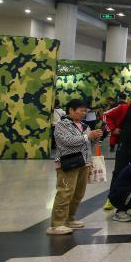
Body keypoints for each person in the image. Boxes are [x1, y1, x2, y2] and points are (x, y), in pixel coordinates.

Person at [48, 99, 104, 235]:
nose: (84, 113)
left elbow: (88, 143)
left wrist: (95, 137)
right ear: (71, 110)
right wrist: (87, 136)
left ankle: (69, 219)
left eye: (85, 111)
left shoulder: (84, 126)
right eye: (81, 111)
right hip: (68, 163)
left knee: (78, 194)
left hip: (84, 163)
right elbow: (67, 141)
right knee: (65, 193)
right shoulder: (62, 125)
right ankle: (56, 224)